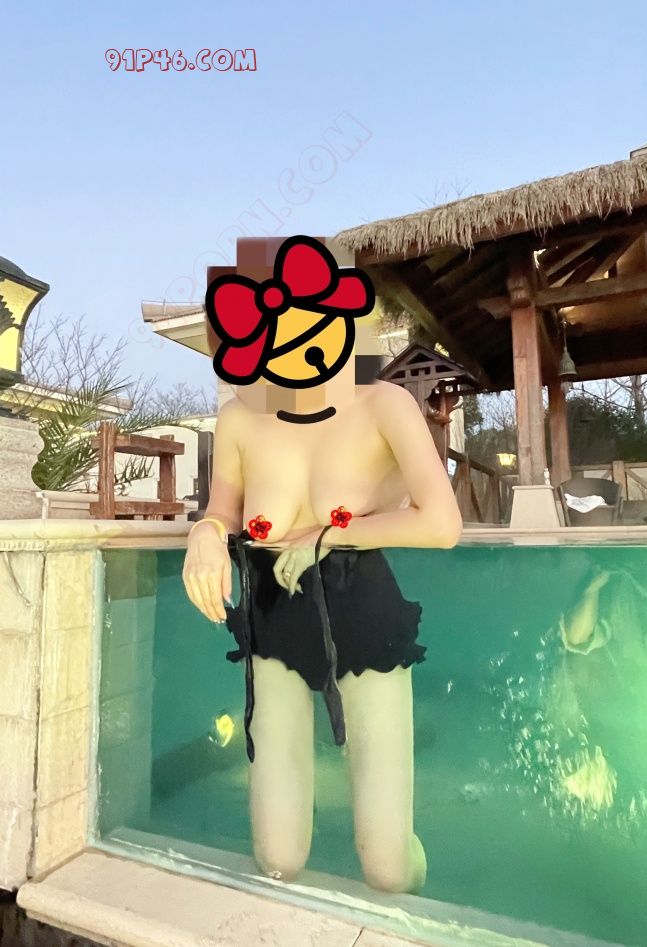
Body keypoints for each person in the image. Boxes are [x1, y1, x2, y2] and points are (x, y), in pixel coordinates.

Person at [183, 236, 463, 893]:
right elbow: (222, 510)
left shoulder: (384, 404)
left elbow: (441, 523)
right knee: (278, 859)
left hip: (363, 614)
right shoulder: (240, 420)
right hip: (272, 621)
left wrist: (331, 533)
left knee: (387, 870)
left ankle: (410, 858)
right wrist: (204, 534)